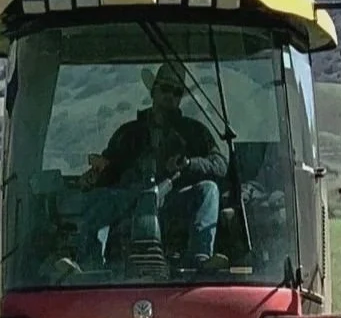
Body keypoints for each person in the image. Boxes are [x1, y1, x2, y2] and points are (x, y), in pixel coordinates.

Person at [70, 63, 227, 269]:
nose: (170, 96)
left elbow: (220, 165)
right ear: (153, 91)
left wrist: (189, 164)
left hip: (173, 200)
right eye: (165, 89)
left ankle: (200, 258)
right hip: (130, 200)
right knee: (101, 198)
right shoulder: (128, 134)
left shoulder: (195, 132)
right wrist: (96, 175)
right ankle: (88, 264)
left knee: (209, 190)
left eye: (177, 92)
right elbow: (108, 170)